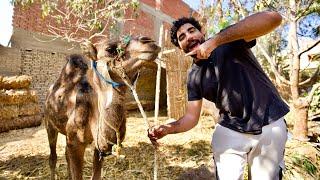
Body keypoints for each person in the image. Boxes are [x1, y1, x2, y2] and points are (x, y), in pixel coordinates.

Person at [148, 11, 289, 180]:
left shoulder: (229, 41)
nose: (188, 37)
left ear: (202, 33)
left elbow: (274, 18)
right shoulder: (193, 77)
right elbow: (191, 118)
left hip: (270, 123)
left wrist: (215, 41)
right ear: (180, 48)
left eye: (191, 31)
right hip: (230, 129)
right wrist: (167, 129)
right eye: (182, 37)